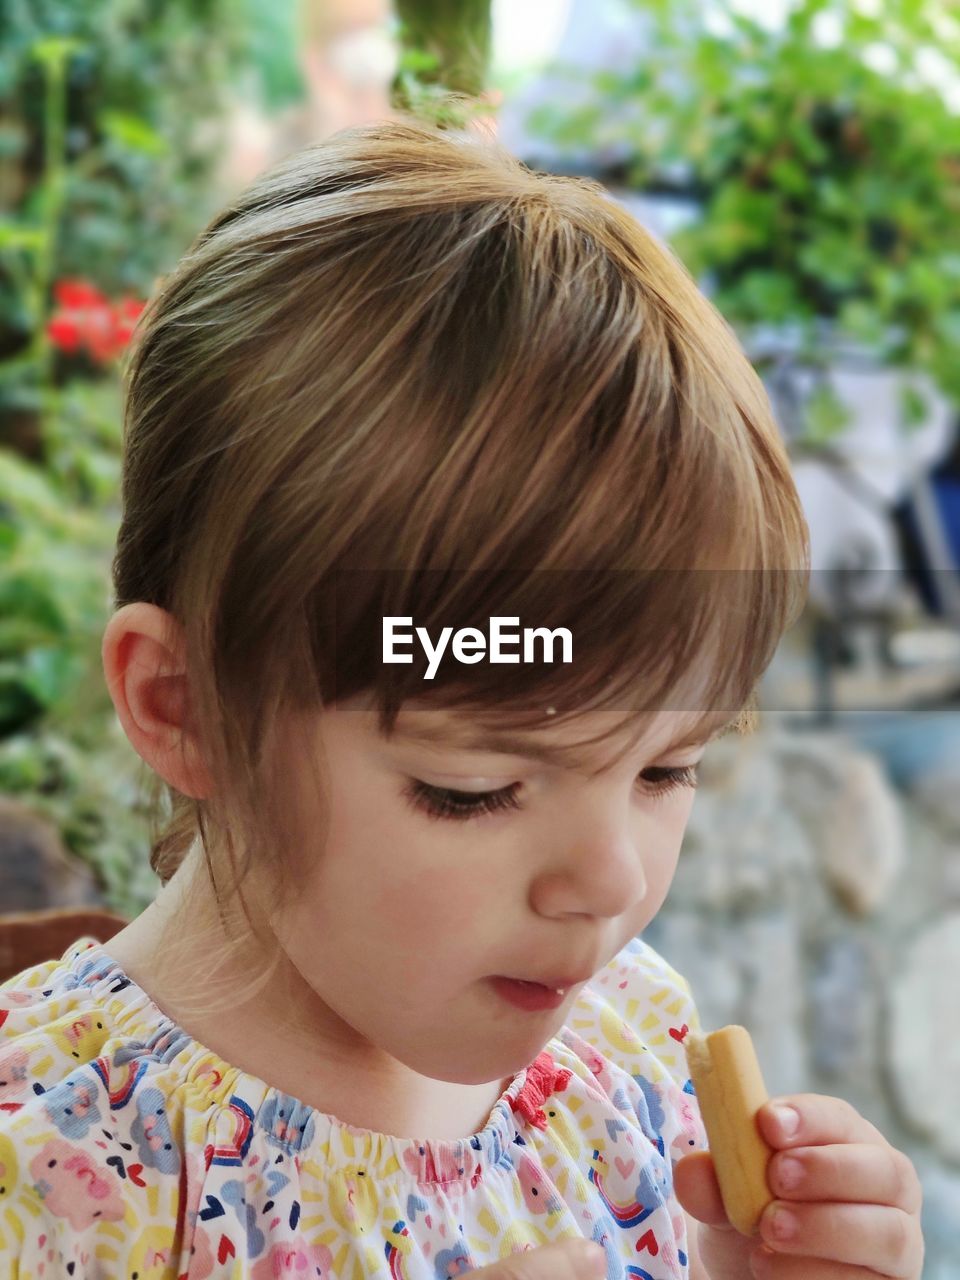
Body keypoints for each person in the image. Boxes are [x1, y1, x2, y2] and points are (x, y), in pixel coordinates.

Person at [0, 115, 923, 1280]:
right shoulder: (55, 1177)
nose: (613, 880)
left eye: (665, 768)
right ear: (185, 706)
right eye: (472, 789)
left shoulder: (630, 1042)